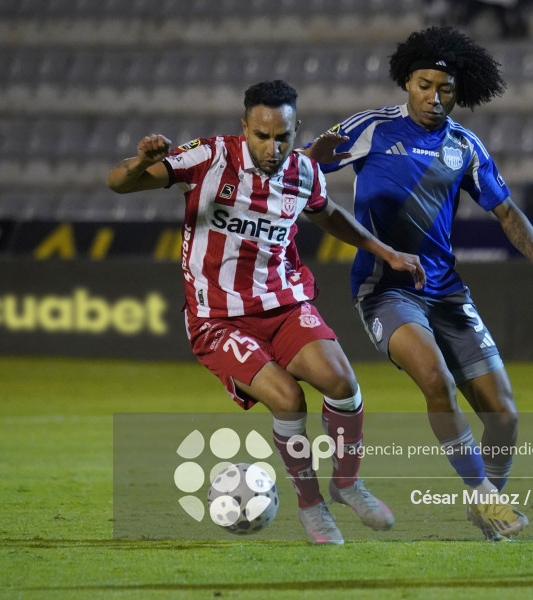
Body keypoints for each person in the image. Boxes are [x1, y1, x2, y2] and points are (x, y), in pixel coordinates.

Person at [106, 80, 426, 545]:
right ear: (244, 128)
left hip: (284, 305)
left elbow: (328, 212)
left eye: (282, 137)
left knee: (342, 383)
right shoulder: (210, 157)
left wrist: (386, 251)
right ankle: (311, 507)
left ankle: (347, 483)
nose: (272, 148)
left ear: (296, 131)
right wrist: (141, 163)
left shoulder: (304, 172)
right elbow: (118, 183)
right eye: (261, 136)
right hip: (217, 318)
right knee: (288, 399)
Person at [303, 26, 533, 541]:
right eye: (424, 84)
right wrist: (308, 163)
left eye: (445, 88)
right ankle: (488, 501)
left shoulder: (464, 146)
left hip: (447, 293)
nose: (434, 96)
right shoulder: (371, 128)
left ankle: (485, 501)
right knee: (435, 379)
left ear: (457, 91)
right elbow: (302, 169)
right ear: (407, 83)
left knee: (505, 416)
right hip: (385, 288)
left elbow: (506, 210)